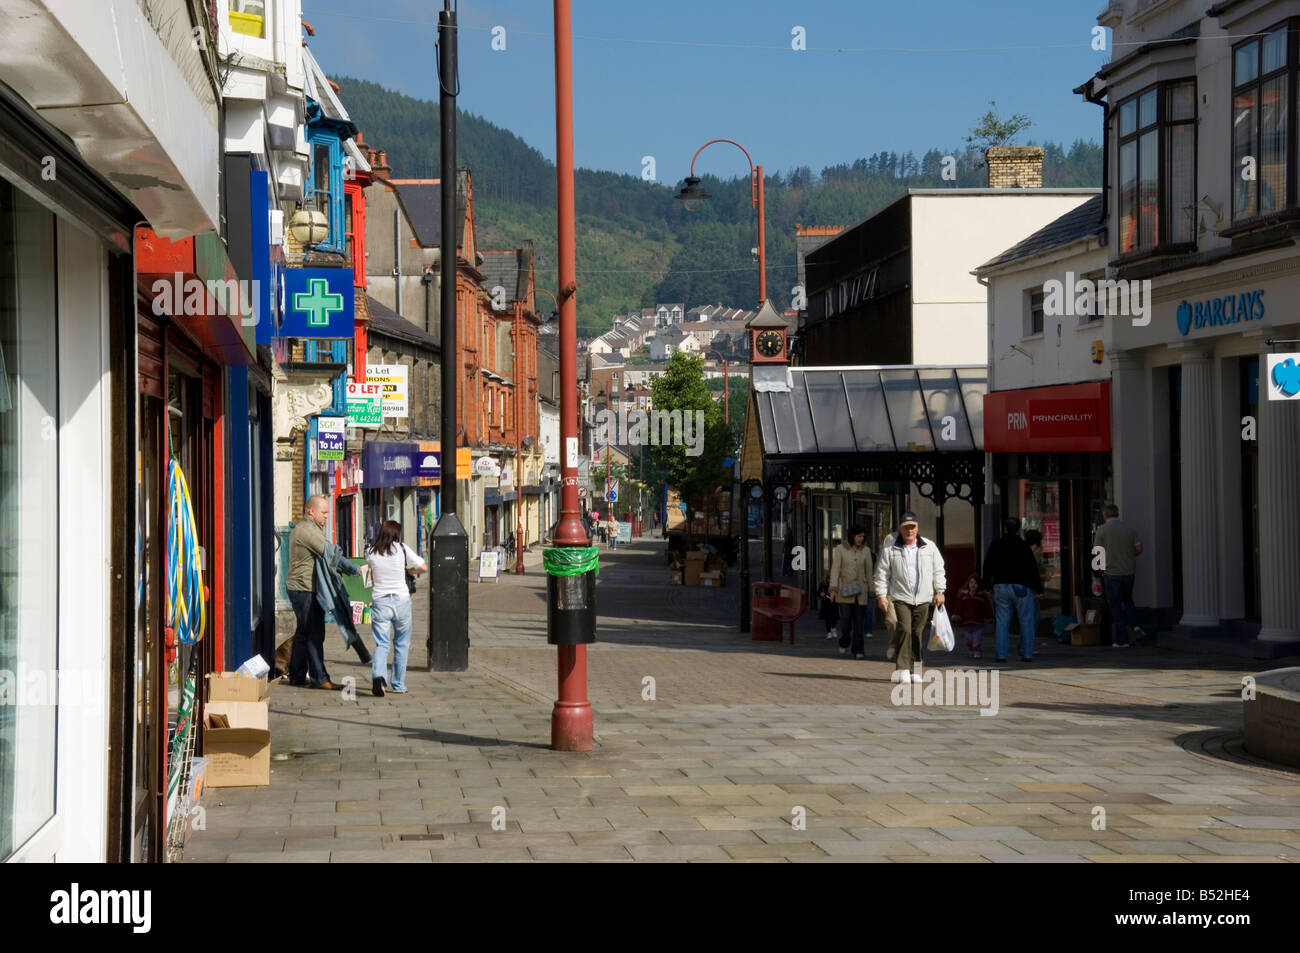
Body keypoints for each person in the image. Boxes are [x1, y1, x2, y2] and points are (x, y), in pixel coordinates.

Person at [874, 512, 946, 683]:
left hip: (923, 597)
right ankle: (903, 669)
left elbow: (938, 569)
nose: (910, 530)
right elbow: (882, 573)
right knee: (904, 629)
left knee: (917, 632)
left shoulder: (929, 546)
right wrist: (881, 595)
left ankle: (916, 668)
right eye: (906, 527)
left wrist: (940, 590)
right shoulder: (890, 548)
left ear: (917, 527)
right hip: (900, 596)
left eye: (912, 527)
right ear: (900, 528)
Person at [285, 495, 344, 689]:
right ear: (311, 511)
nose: (327, 516)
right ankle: (320, 678)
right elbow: (330, 554)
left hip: (301, 587)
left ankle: (297, 676)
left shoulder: (308, 528)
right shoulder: (307, 530)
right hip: (304, 588)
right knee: (314, 633)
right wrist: (354, 568)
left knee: (304, 632)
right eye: (324, 512)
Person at [364, 520, 426, 697]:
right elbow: (423, 566)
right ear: (396, 534)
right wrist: (409, 572)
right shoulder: (402, 549)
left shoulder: (371, 551)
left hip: (380, 601)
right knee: (401, 644)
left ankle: (378, 676)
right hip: (401, 600)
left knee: (382, 643)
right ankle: (398, 684)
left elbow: (369, 572)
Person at [981, 517, 1043, 664]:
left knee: (1002, 622)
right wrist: (1038, 588)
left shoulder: (996, 544)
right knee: (1026, 621)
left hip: (1001, 586)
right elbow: (1032, 568)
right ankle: (1027, 654)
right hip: (1021, 587)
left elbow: (987, 565)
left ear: (1004, 529)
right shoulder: (1023, 546)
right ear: (1019, 530)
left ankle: (1001, 655)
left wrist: (987, 585)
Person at [1093, 502, 1145, 647]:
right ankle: (1135, 625)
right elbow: (1139, 549)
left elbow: (1098, 553)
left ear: (1104, 515)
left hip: (1111, 573)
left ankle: (1122, 640)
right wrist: (1129, 556)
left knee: (1115, 605)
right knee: (1128, 600)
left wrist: (1097, 574)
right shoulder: (1129, 529)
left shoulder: (1102, 530)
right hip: (1129, 571)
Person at [830, 525, 873, 658]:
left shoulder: (866, 551)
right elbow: (835, 570)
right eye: (859, 536)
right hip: (845, 592)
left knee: (859, 623)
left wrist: (872, 590)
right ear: (852, 536)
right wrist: (833, 588)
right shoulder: (840, 549)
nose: (861, 539)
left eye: (863, 536)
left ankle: (858, 650)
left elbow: (869, 572)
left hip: (860, 593)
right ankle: (844, 640)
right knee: (846, 621)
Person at [952, 573, 991, 660]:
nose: (973, 585)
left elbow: (987, 607)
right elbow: (959, 607)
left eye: (975, 583)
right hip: (967, 621)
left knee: (977, 638)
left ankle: (977, 651)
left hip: (978, 621)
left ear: (979, 585)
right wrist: (956, 615)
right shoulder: (964, 595)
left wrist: (990, 616)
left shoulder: (982, 596)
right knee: (968, 639)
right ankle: (971, 647)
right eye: (971, 583)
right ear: (968, 584)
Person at [816, 572, 839, 639]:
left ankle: (833, 628)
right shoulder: (823, 584)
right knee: (827, 618)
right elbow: (818, 593)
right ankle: (829, 632)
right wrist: (821, 594)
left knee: (834, 617)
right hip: (826, 603)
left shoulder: (835, 585)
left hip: (833, 603)